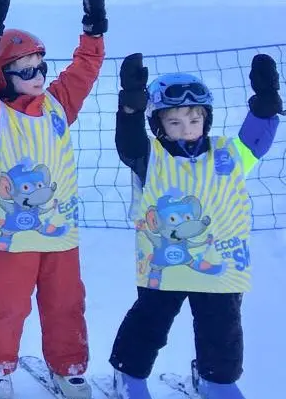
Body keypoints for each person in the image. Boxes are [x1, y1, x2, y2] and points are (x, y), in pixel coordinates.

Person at [0, 0, 107, 399]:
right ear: (3, 77)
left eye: (41, 66)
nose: (39, 75)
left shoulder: (57, 106)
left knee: (66, 303)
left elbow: (83, 71)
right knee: (7, 305)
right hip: (13, 235)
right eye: (26, 70)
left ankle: (70, 366)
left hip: (60, 231)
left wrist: (93, 31)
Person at [107, 54, 282, 399]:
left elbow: (256, 141)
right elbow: (128, 142)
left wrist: (265, 105)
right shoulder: (149, 156)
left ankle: (217, 380)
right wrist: (129, 109)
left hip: (220, 264)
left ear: (206, 119)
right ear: (159, 126)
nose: (187, 129)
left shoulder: (228, 155)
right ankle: (128, 375)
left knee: (222, 328)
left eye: (194, 119)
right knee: (150, 323)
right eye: (174, 122)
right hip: (164, 264)